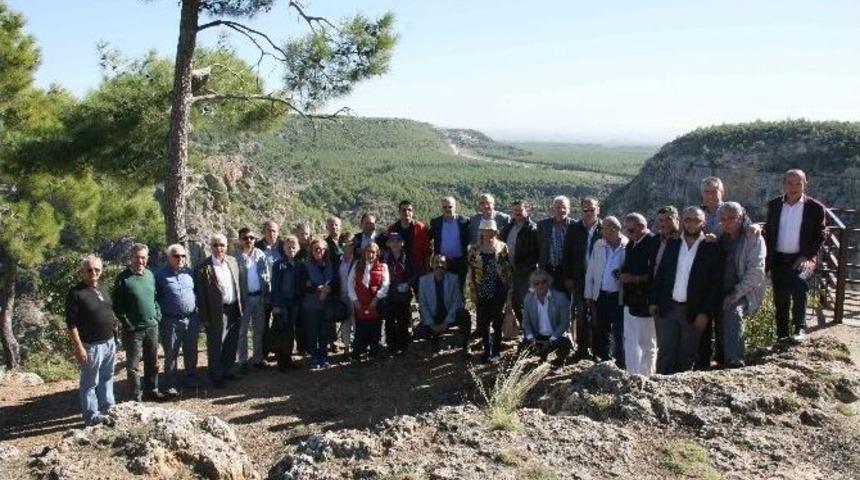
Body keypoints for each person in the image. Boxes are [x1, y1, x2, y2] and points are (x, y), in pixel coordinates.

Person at [650, 207, 723, 374]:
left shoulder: (711, 248)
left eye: (696, 220)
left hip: (693, 311)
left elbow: (714, 285)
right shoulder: (673, 243)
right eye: (688, 219)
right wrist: (654, 301)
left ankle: (678, 395)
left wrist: (705, 313)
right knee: (665, 354)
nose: (692, 224)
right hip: (667, 308)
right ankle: (660, 392)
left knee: (686, 356)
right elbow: (661, 273)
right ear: (682, 221)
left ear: (703, 222)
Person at [763, 169, 826, 342]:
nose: (794, 187)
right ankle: (782, 336)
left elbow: (821, 234)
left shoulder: (815, 208)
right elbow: (768, 232)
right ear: (784, 184)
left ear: (805, 185)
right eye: (790, 183)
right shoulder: (774, 205)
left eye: (798, 183)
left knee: (799, 282)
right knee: (780, 296)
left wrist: (806, 256)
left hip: (803, 257)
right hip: (778, 258)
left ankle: (800, 328)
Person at [66, 255, 116, 425]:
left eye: (97, 269)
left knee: (107, 377)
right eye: (89, 270)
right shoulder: (75, 293)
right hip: (91, 346)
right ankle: (91, 417)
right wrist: (78, 347)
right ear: (82, 272)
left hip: (109, 342)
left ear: (101, 271)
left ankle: (108, 408)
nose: (93, 273)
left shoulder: (103, 287)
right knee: (89, 383)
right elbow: (71, 325)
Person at [718, 202, 767, 368]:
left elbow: (756, 273)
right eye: (723, 219)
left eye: (732, 218)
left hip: (744, 291)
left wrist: (736, 294)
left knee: (733, 310)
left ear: (742, 216)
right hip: (719, 289)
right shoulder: (719, 234)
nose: (728, 222)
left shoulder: (752, 237)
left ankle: (735, 359)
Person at [113, 243, 163, 402]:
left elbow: (154, 298)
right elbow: (118, 306)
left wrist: (157, 314)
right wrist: (128, 324)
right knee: (133, 365)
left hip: (152, 326)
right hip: (133, 330)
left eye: (143, 257)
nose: (140, 261)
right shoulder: (123, 278)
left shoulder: (150, 275)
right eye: (137, 257)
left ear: (147, 259)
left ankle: (152, 389)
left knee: (152, 361)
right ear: (131, 258)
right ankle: (136, 396)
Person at [195, 233, 243, 388]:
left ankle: (227, 370)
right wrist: (204, 317)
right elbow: (201, 295)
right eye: (215, 245)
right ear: (211, 247)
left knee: (231, 342)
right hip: (216, 311)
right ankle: (216, 375)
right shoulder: (203, 267)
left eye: (222, 245)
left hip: (234, 308)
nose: (219, 248)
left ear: (227, 246)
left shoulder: (233, 262)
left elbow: (238, 284)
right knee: (216, 344)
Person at [583, 217, 628, 367]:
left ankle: (621, 361)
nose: (601, 231)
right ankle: (604, 359)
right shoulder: (599, 245)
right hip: (601, 294)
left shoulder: (627, 245)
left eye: (604, 228)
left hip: (619, 296)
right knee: (601, 328)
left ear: (614, 229)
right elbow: (591, 271)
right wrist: (588, 294)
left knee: (620, 330)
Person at [155, 243, 198, 397]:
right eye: (176, 256)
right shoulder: (159, 276)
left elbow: (196, 293)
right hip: (170, 321)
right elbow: (155, 298)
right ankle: (170, 384)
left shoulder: (190, 273)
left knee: (191, 351)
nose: (180, 258)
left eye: (183, 256)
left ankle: (191, 379)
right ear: (169, 257)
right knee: (171, 353)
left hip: (191, 319)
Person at [467, 219, 513, 363]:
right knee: (483, 321)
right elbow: (471, 271)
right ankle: (487, 350)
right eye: (486, 231)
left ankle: (496, 351)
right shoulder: (473, 249)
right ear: (481, 232)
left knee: (497, 320)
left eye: (492, 231)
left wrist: (509, 289)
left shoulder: (503, 247)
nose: (489, 233)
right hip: (482, 288)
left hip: (499, 287)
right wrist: (472, 291)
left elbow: (507, 269)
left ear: (496, 231)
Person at [619, 213, 659, 375]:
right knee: (631, 339)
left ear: (642, 227)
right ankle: (632, 372)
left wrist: (634, 279)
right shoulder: (631, 244)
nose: (628, 233)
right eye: (627, 230)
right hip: (631, 300)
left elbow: (656, 273)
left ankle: (647, 374)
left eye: (631, 230)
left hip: (646, 300)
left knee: (647, 341)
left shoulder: (653, 243)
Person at [562, 196, 602, 360]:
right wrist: (568, 277)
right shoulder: (574, 229)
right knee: (581, 315)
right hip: (579, 279)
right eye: (585, 210)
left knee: (597, 315)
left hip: (599, 281)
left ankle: (597, 351)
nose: (588, 213)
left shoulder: (604, 228)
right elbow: (567, 255)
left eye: (591, 209)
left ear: (598, 210)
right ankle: (582, 349)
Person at [416, 255, 471, 355]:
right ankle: (433, 343)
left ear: (446, 266)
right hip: (433, 316)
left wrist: (446, 323)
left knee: (464, 314)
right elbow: (422, 305)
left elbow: (456, 302)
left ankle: (466, 345)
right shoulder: (423, 281)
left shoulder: (453, 279)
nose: (439, 265)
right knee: (419, 331)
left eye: (442, 263)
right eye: (436, 262)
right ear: (431, 265)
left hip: (449, 315)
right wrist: (432, 325)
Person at [521, 269, 572, 368]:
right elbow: (526, 323)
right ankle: (539, 358)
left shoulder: (560, 298)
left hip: (554, 336)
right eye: (537, 283)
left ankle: (559, 362)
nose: (540, 285)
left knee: (565, 344)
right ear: (533, 285)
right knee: (524, 344)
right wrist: (531, 339)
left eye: (543, 282)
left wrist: (551, 340)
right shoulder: (528, 299)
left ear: (549, 282)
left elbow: (564, 323)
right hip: (537, 337)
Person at [235, 227, 269, 373]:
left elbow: (267, 277)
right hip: (244, 299)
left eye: (251, 237)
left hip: (259, 297)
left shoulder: (261, 255)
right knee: (242, 332)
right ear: (240, 240)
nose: (248, 240)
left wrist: (267, 296)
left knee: (258, 330)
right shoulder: (235, 257)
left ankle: (257, 359)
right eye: (245, 238)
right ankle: (242, 361)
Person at [348, 243, 390, 359]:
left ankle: (374, 352)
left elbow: (385, 285)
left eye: (373, 252)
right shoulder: (357, 265)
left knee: (375, 328)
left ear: (377, 254)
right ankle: (358, 351)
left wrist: (377, 299)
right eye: (368, 252)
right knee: (360, 327)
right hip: (359, 302)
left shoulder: (383, 267)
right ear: (364, 253)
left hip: (375, 303)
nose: (370, 254)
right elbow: (350, 283)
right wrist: (354, 300)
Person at [500, 200, 539, 327]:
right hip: (509, 271)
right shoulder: (508, 228)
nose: (517, 213)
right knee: (514, 301)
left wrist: (527, 268)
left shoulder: (533, 229)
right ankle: (523, 327)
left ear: (527, 211)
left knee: (528, 301)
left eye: (520, 210)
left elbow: (536, 252)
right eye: (514, 210)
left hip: (526, 273)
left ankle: (532, 329)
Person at [301, 238, 337, 368]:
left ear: (325, 250)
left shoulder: (329, 264)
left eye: (321, 249)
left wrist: (328, 289)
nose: (318, 251)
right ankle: (314, 357)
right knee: (312, 332)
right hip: (310, 305)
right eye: (315, 249)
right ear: (311, 250)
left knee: (324, 332)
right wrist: (319, 289)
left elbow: (333, 281)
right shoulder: (305, 265)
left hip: (326, 304)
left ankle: (324, 356)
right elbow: (304, 285)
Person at [270, 236, 303, 371]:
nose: (291, 249)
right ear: (283, 248)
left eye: (294, 247)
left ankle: (288, 359)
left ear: (298, 248)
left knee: (290, 332)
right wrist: (276, 305)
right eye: (288, 247)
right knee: (282, 332)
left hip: (295, 303)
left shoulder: (299, 264)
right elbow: (275, 286)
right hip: (282, 303)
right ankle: (281, 362)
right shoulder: (278, 264)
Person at [382, 233, 415, 355]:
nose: (395, 243)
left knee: (403, 321)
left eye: (398, 241)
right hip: (388, 295)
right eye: (392, 241)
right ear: (388, 244)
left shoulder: (408, 258)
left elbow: (413, 275)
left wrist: (408, 284)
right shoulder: (385, 258)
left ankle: (403, 345)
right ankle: (391, 346)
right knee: (389, 321)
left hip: (403, 295)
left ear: (402, 243)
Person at [429, 196, 471, 291]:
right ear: (441, 208)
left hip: (460, 262)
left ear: (455, 207)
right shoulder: (436, 222)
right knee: (442, 289)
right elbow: (427, 237)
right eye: (445, 207)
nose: (447, 209)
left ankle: (459, 306)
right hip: (442, 263)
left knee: (459, 289)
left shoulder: (464, 221)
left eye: (450, 207)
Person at [386, 200, 431, 287]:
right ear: (399, 212)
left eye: (409, 210)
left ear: (412, 212)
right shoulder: (393, 229)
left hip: (418, 268)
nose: (407, 212)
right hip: (399, 269)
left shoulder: (420, 228)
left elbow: (427, 251)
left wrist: (427, 270)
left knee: (421, 295)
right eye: (403, 210)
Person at [256, 220, 282, 362]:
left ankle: (279, 351)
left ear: (278, 232)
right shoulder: (257, 247)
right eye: (268, 230)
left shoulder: (283, 246)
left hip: (279, 291)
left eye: (274, 230)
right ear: (263, 232)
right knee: (263, 323)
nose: (271, 233)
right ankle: (263, 353)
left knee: (279, 322)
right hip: (264, 291)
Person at [537, 195, 573, 293]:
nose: (561, 210)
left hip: (566, 272)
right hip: (547, 271)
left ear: (568, 209)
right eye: (557, 207)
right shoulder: (542, 225)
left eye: (564, 207)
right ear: (552, 209)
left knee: (565, 302)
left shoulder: (574, 226)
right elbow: (538, 248)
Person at [337, 242, 357, 355]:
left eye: (351, 245)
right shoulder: (338, 260)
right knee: (345, 322)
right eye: (346, 244)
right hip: (342, 295)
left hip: (354, 296)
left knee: (355, 321)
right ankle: (346, 348)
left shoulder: (357, 261)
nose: (348, 247)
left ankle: (357, 346)